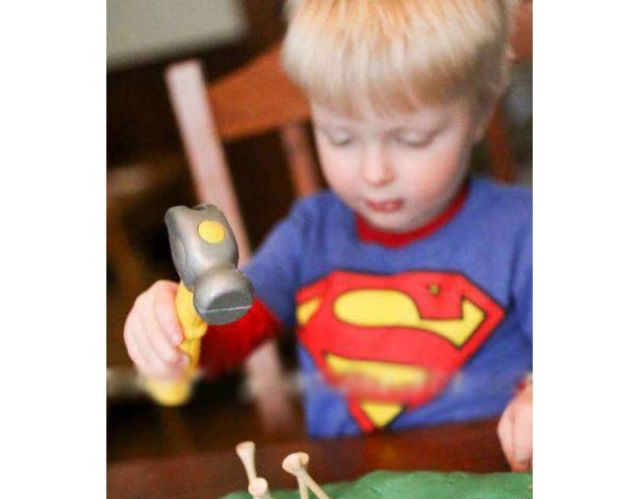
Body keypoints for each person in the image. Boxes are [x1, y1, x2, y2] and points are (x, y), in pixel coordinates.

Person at [124, 0, 532, 471]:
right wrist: (174, 326)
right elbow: (228, 332)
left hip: (489, 488)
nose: (375, 172)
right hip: (346, 493)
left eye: (412, 139)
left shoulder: (523, 229)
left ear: (479, 113)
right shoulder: (311, 232)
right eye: (340, 137)